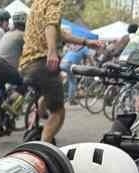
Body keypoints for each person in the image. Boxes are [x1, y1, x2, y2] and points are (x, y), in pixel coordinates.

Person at [19, 0, 102, 143]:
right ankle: (44, 147)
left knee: (46, 95)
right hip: (42, 63)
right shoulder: (54, 1)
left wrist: (86, 42)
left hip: (27, 64)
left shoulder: (37, 4)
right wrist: (52, 52)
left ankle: (37, 118)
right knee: (58, 112)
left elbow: (59, 33)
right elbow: (50, 25)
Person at [0, 12, 28, 97]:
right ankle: (12, 100)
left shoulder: (7, 33)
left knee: (2, 94)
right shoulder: (23, 35)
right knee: (25, 83)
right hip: (3, 67)